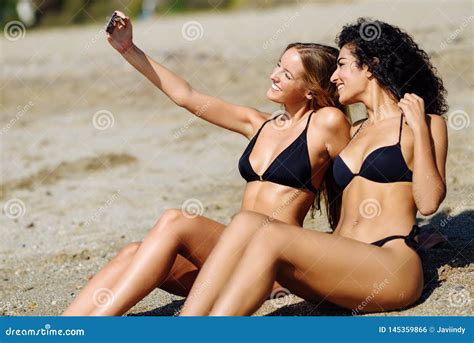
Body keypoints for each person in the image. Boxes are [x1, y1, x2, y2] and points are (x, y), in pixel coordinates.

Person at [62, 10, 351, 316]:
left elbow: (359, 172)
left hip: (271, 263)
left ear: (311, 90)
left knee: (176, 220)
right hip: (230, 257)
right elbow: (185, 95)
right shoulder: (258, 123)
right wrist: (127, 49)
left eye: (286, 74)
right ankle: (64, 329)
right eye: (278, 65)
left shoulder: (326, 123)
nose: (274, 75)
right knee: (133, 252)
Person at [180, 17, 449, 316]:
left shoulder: (426, 123)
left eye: (343, 65)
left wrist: (420, 130)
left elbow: (428, 202)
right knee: (246, 221)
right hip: (340, 263)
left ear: (371, 66)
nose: (334, 77)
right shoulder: (352, 130)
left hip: (389, 265)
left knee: (269, 234)